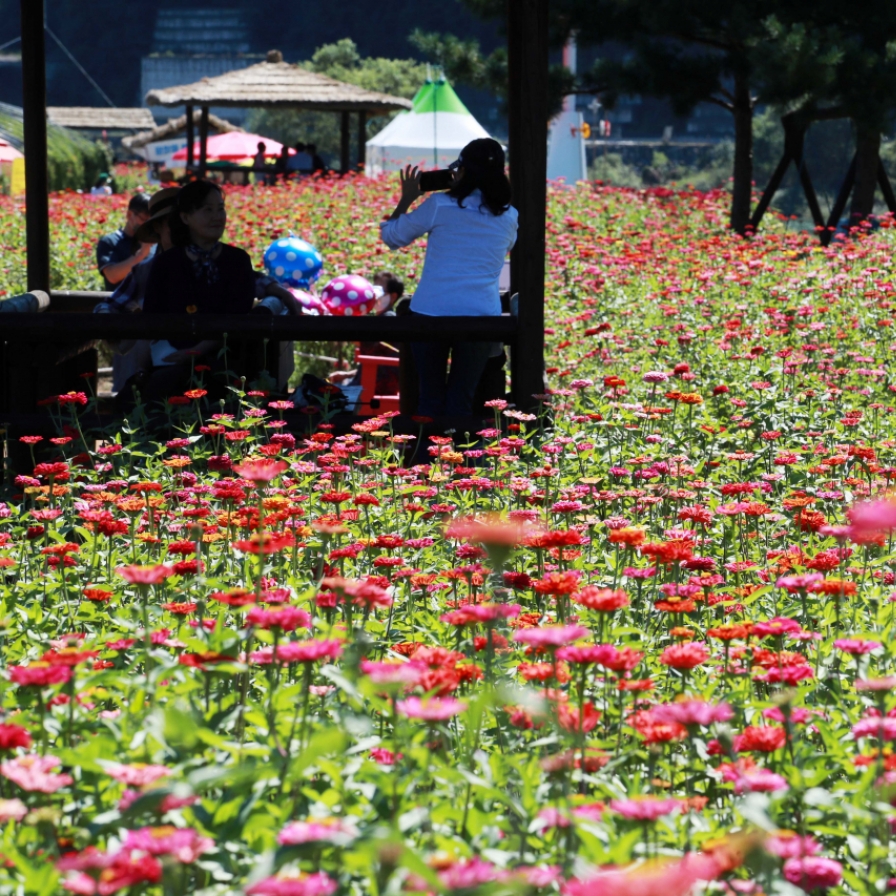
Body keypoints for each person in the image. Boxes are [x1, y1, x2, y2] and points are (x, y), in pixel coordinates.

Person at [379, 138, 517, 416]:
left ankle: (426, 457)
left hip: (431, 313)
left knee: (429, 399)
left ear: (461, 170)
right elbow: (507, 247)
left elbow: (391, 237)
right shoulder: (509, 216)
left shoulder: (440, 204)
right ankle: (460, 455)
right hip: (481, 317)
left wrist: (407, 198)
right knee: (461, 400)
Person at [140, 181, 255, 402]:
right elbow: (152, 317)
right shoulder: (166, 263)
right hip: (172, 360)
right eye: (207, 210)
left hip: (226, 365)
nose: (217, 216)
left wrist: (196, 352)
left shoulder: (237, 260)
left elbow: (238, 316)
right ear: (185, 218)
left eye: (220, 208)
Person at [95, 192, 152, 290]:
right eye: (144, 219)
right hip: (119, 304)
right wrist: (141, 254)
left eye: (151, 221)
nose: (147, 225)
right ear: (129, 215)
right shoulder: (109, 242)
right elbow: (112, 276)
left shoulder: (157, 242)